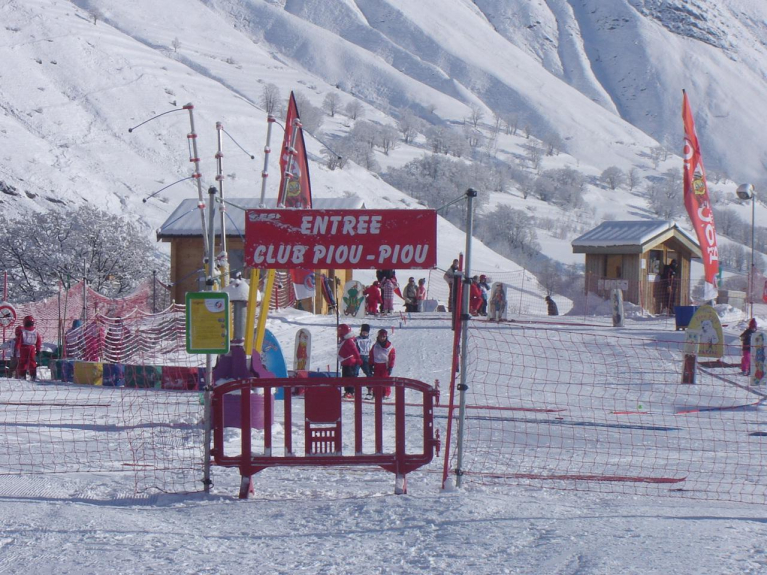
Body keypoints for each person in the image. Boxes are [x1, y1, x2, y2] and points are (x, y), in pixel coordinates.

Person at [337, 324, 362, 398]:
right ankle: (348, 391)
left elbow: (354, 350)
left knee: (349, 377)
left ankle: (350, 392)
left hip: (349, 362)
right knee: (345, 377)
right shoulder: (345, 340)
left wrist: (358, 358)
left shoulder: (348, 341)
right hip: (345, 362)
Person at [370, 329, 396, 399]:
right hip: (377, 365)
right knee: (376, 379)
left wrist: (390, 367)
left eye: (383, 337)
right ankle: (376, 392)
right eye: (380, 336)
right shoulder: (375, 346)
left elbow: (392, 357)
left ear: (386, 337)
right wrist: (370, 364)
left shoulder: (390, 347)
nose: (382, 338)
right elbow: (372, 355)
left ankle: (386, 393)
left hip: (385, 365)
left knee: (385, 379)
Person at [15, 315, 42, 381]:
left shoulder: (22, 331)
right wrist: (38, 349)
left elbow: (19, 341)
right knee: (32, 362)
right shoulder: (35, 332)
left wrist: (17, 348)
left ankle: (22, 375)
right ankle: (33, 375)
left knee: (23, 362)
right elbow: (39, 341)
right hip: (32, 348)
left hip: (23, 348)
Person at [355, 324, 374, 398]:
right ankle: (353, 389)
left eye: (366, 333)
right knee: (355, 373)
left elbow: (372, 349)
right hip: (358, 357)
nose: (365, 334)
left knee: (369, 373)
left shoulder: (369, 340)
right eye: (363, 332)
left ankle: (370, 389)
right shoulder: (357, 339)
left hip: (366, 358)